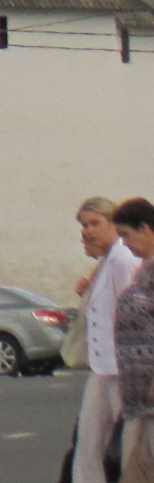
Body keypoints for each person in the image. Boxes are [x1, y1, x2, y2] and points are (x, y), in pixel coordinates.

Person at [77, 199, 140, 483]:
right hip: (102, 368)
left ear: (113, 224)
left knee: (130, 447)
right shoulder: (107, 261)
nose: (88, 231)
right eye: (84, 225)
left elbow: (134, 312)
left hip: (122, 369)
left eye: (95, 224)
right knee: (88, 445)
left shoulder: (123, 260)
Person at [112, 200, 154, 483]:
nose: (124, 243)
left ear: (146, 228)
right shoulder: (144, 269)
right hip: (139, 396)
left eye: (126, 235)